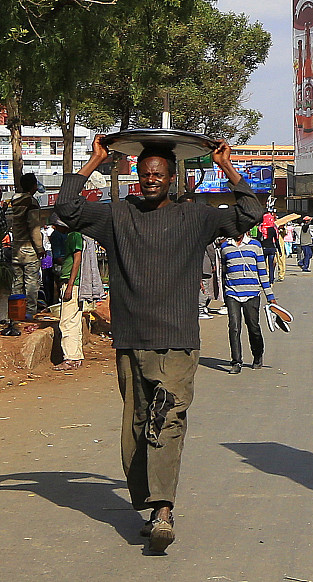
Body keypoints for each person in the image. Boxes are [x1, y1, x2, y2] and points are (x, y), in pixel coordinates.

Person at [55, 135, 261, 553]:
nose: (151, 180)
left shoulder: (196, 218)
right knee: (135, 425)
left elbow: (250, 212)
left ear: (171, 178)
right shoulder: (117, 216)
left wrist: (227, 167)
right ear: (136, 174)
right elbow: (67, 209)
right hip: (130, 340)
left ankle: (163, 509)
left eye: (158, 175)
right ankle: (148, 502)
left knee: (168, 419)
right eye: (145, 173)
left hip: (178, 341)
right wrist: (93, 161)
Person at [220, 232, 276, 374]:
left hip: (252, 293)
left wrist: (270, 296)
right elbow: (223, 272)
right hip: (232, 292)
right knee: (234, 327)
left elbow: (262, 272)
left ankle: (258, 355)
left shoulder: (255, 246)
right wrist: (224, 295)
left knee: (253, 327)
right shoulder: (225, 247)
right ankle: (236, 362)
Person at [10, 173, 45, 317]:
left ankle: (15, 313)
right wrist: (40, 248)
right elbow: (34, 228)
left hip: (16, 248)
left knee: (17, 283)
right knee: (31, 282)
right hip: (29, 250)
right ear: (33, 186)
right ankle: (30, 313)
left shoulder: (15, 201)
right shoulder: (32, 203)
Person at [53, 218, 84, 371]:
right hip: (75, 283)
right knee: (74, 321)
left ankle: (70, 358)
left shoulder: (73, 236)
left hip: (72, 284)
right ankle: (76, 357)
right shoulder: (77, 235)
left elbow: (77, 258)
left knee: (66, 322)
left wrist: (70, 286)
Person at [258, 212, 280, 284]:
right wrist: (279, 250)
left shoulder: (261, 228)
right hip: (271, 248)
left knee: (262, 265)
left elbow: (258, 239)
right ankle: (271, 279)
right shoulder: (273, 229)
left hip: (263, 248)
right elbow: (276, 240)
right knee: (271, 265)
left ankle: (262, 279)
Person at [199, 242, 216, 320]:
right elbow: (211, 250)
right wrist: (213, 263)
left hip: (196, 265)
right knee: (204, 288)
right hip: (204, 265)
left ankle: (202, 307)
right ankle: (200, 309)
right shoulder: (206, 237)